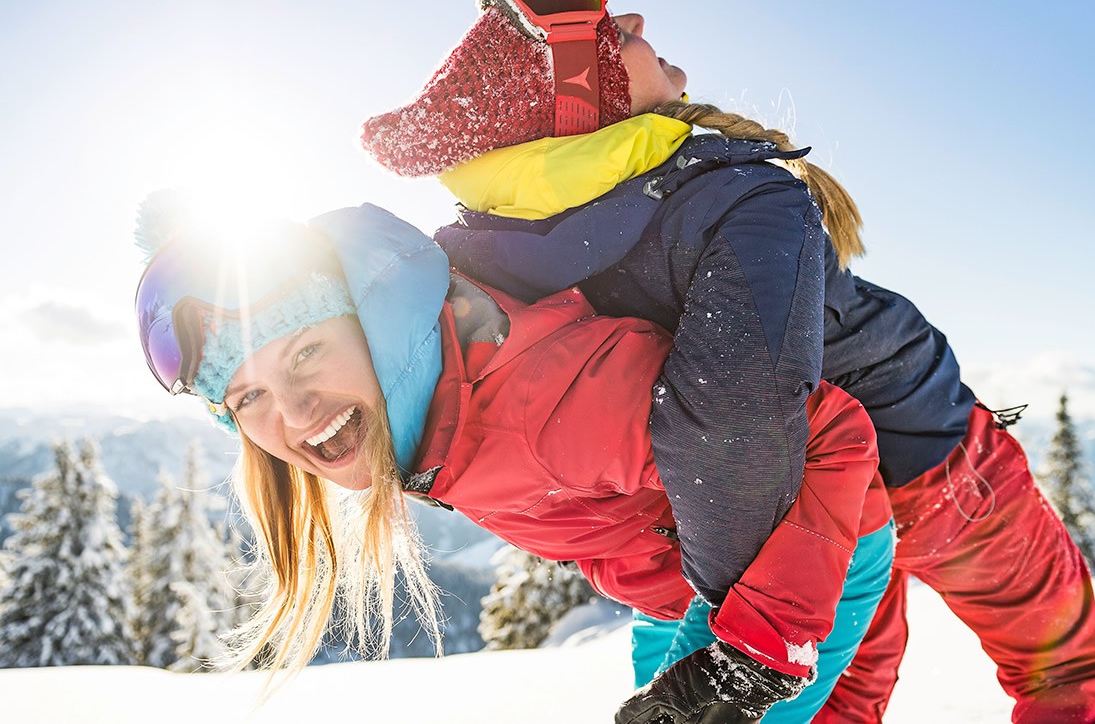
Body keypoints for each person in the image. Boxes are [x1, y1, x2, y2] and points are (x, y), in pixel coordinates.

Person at [358, 0, 1095, 724]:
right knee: (1061, 663)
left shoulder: (480, 256)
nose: (634, 24)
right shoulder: (732, 192)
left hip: (790, 519)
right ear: (579, 99)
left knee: (837, 705)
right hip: (921, 453)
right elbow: (736, 415)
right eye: (602, 34)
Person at [132, 196, 895, 723]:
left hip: (790, 566)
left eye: (306, 351)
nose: (294, 416)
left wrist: (756, 650)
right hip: (679, 586)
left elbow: (829, 432)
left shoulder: (546, 405)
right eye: (247, 398)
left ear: (377, 321)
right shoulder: (430, 400)